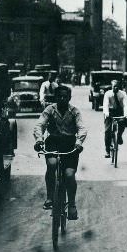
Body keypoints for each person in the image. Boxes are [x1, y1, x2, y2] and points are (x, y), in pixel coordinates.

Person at [33, 85, 87, 220]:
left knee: (69, 175)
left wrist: (79, 143)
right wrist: (39, 140)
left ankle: (72, 205)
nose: (62, 99)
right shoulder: (49, 110)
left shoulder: (75, 111)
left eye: (65, 97)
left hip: (70, 144)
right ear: (55, 97)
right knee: (52, 164)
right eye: (59, 96)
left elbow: (82, 128)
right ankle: (50, 197)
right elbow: (40, 125)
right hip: (53, 142)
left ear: (69, 98)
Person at [102, 80, 127, 158]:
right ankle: (107, 151)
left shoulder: (123, 94)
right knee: (107, 131)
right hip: (110, 112)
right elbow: (105, 104)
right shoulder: (108, 94)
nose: (116, 88)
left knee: (122, 123)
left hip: (119, 111)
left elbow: (126, 104)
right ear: (111, 87)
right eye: (114, 86)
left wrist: (126, 114)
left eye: (117, 86)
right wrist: (107, 114)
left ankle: (119, 135)